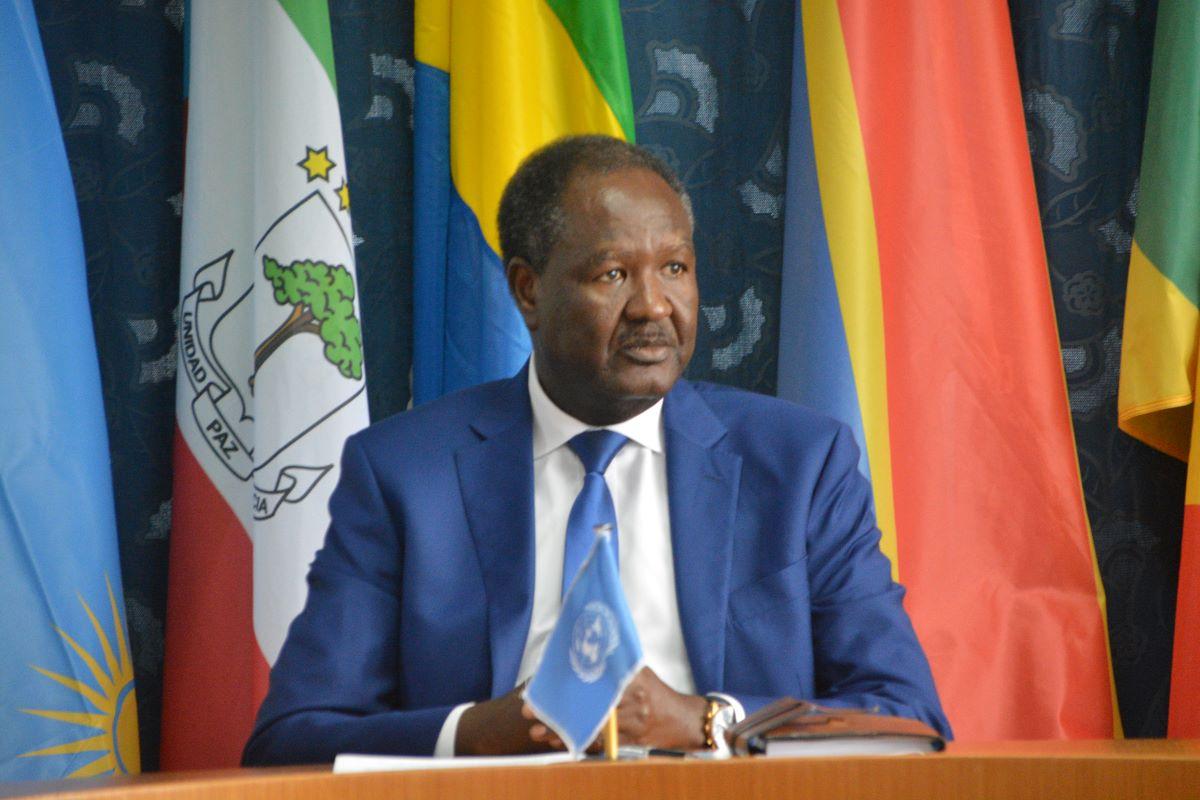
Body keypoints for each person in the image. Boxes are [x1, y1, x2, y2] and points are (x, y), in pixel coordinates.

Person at [242, 135, 949, 765]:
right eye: (613, 274)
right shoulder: (404, 474)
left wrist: (705, 722)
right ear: (528, 290)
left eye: (675, 268)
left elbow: (907, 716)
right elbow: (293, 736)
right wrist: (477, 733)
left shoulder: (800, 464)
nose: (654, 306)